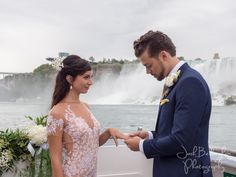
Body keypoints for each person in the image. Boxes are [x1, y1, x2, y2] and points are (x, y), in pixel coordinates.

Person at [125, 30, 213, 177]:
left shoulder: (190, 82)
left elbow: (181, 141)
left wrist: (141, 145)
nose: (148, 71)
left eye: (149, 65)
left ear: (163, 56)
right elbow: (174, 130)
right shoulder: (178, 81)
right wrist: (150, 136)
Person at [47, 55, 127, 177]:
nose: (91, 82)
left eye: (91, 77)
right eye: (86, 77)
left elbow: (90, 144)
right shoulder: (56, 113)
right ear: (69, 79)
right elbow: (55, 158)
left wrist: (109, 132)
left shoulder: (86, 106)